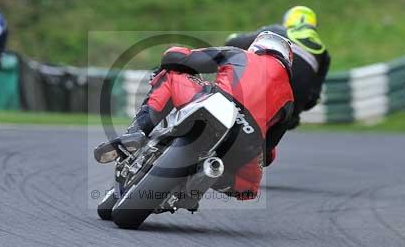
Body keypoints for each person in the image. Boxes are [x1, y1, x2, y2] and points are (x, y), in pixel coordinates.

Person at [112, 31, 295, 201]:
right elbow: (268, 151)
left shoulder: (239, 54)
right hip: (246, 139)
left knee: (171, 73)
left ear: (257, 47)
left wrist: (174, 54)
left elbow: (178, 58)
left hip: (217, 104)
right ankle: (210, 174)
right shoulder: (289, 99)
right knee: (249, 189)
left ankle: (138, 131)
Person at [225, 6, 330, 130]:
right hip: (287, 114)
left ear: (288, 21)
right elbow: (312, 99)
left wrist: (232, 38)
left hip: (256, 96)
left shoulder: (275, 30)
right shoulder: (324, 55)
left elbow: (234, 43)